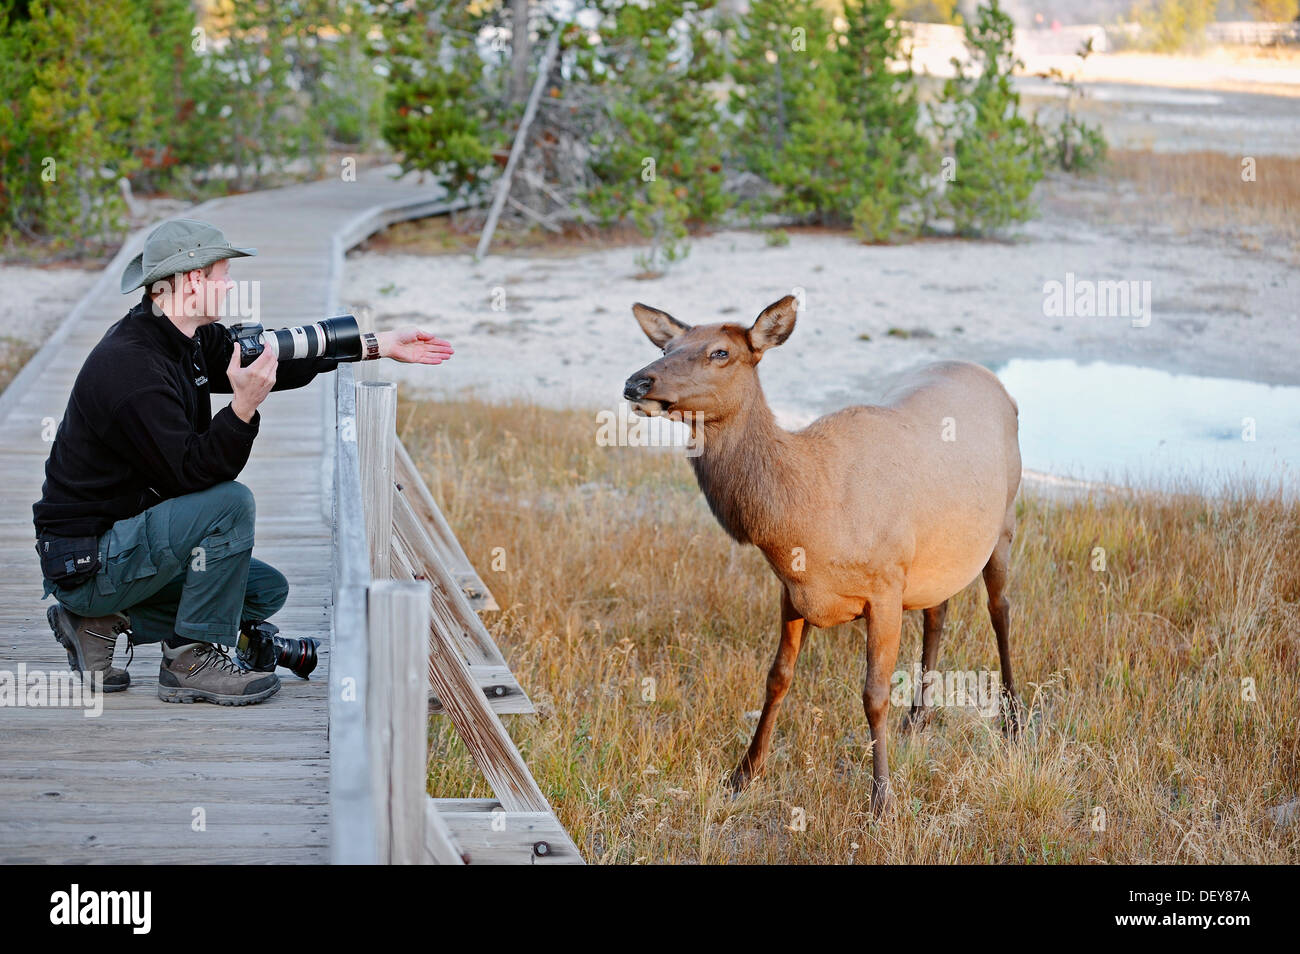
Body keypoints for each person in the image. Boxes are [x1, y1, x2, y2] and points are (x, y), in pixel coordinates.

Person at [32, 218, 453, 705]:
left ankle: (98, 623)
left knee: (261, 591)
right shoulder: (133, 369)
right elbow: (193, 475)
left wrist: (374, 343)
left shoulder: (182, 337)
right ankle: (189, 659)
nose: (230, 284)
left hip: (123, 543)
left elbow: (265, 350)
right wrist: (242, 407)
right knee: (230, 504)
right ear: (192, 282)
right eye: (222, 274)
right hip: (90, 559)